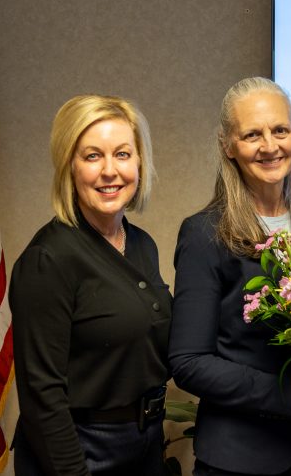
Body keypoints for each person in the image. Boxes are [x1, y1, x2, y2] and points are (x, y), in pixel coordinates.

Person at [168, 76, 291, 476]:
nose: (270, 146)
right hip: (239, 459)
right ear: (229, 146)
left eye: (280, 130)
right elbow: (189, 361)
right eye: (252, 135)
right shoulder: (205, 232)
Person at [9, 95, 171, 475]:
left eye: (123, 154)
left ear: (140, 163)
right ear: (70, 166)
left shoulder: (142, 244)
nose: (110, 171)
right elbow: (41, 396)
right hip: (81, 452)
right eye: (93, 156)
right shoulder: (48, 260)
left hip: (144, 445)